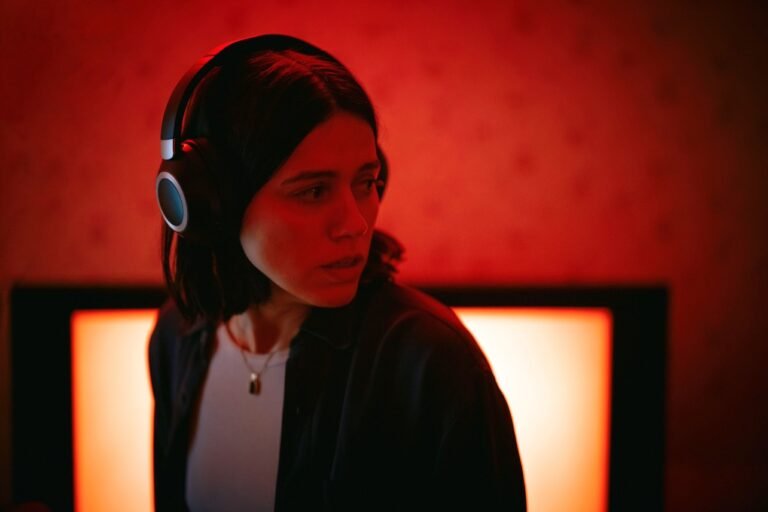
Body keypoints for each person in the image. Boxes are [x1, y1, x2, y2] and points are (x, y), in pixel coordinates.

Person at [149, 34, 526, 511]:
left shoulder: (431, 363)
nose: (356, 224)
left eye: (366, 182)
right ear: (213, 204)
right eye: (313, 191)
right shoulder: (176, 337)